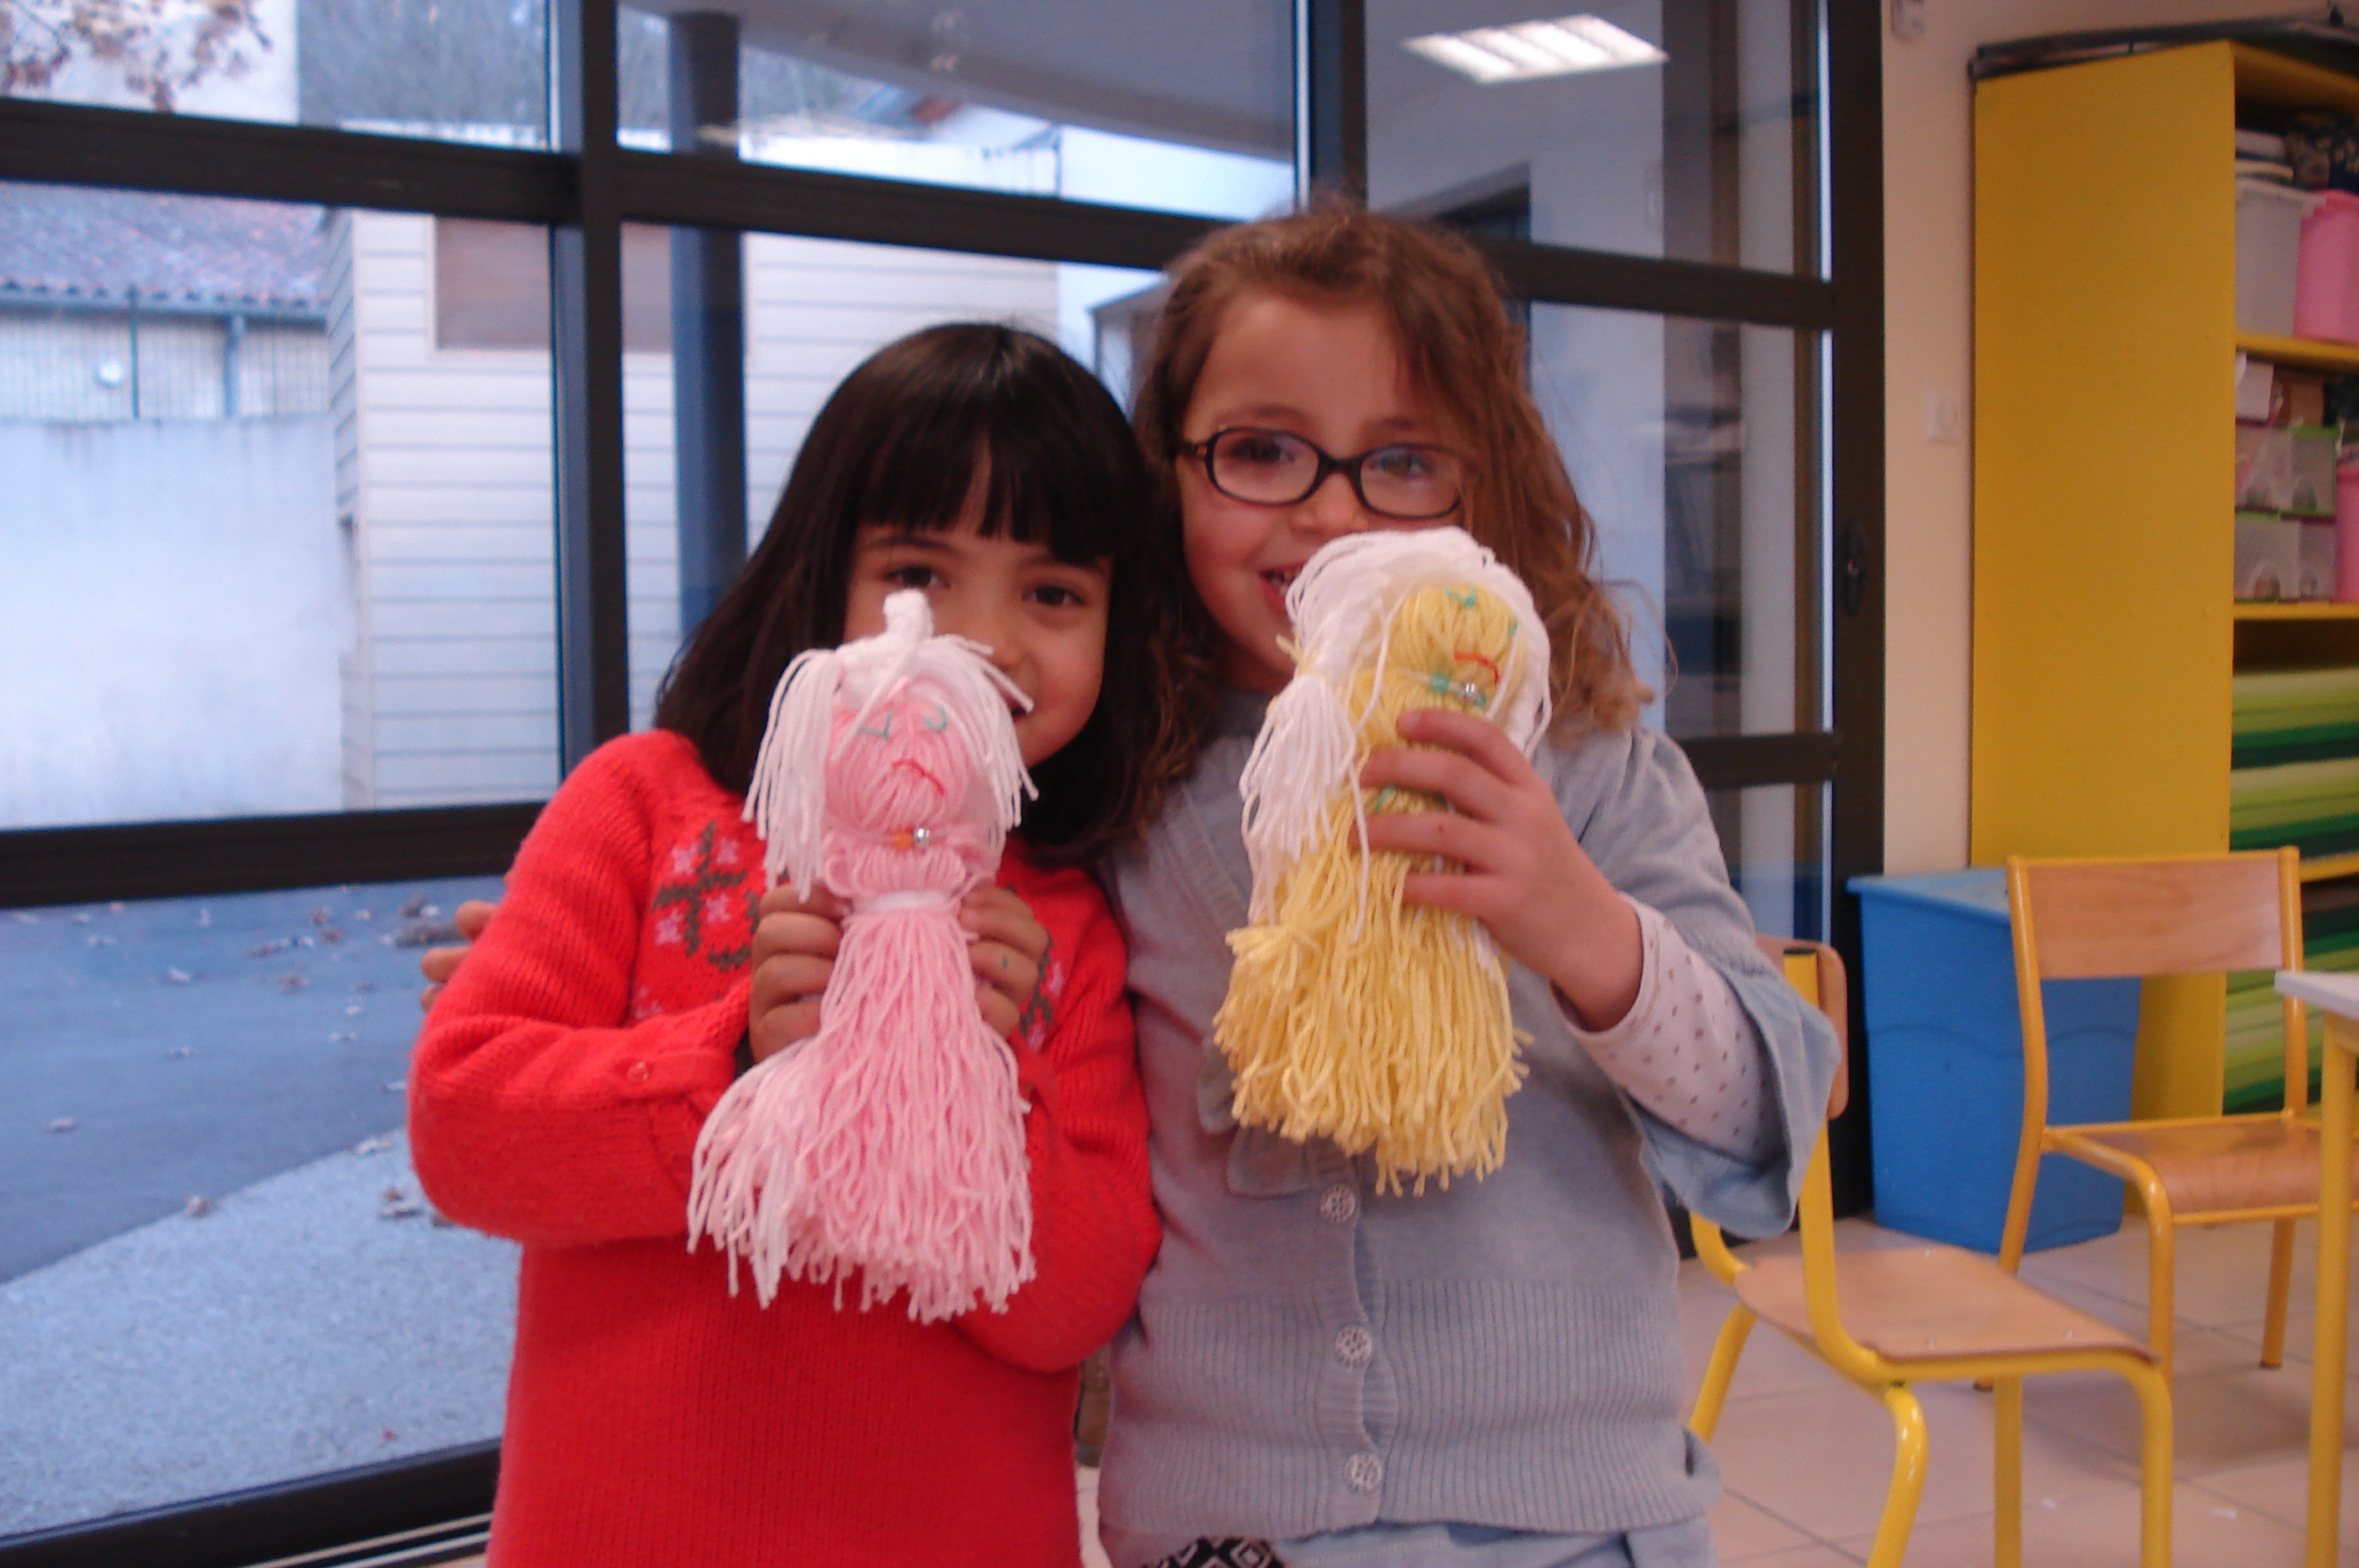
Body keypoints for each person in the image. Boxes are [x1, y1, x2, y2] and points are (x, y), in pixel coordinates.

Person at [1092, 206, 1841, 1568]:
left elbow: (1766, 1120)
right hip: (1236, 1522)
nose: (1328, 511)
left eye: (1401, 462)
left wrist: (1583, 928)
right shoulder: (1121, 794)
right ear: (1170, 472)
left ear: (1479, 486)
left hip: (1574, 1516)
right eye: (1260, 452)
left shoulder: (1591, 761)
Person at [407, 323, 1174, 1568]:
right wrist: (734, 1062)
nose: (980, 638)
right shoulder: (645, 805)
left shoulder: (1072, 923)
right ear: (820, 578)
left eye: (1054, 593)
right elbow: (463, 1131)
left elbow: (1073, 1309)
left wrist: (981, 1078)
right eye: (918, 573)